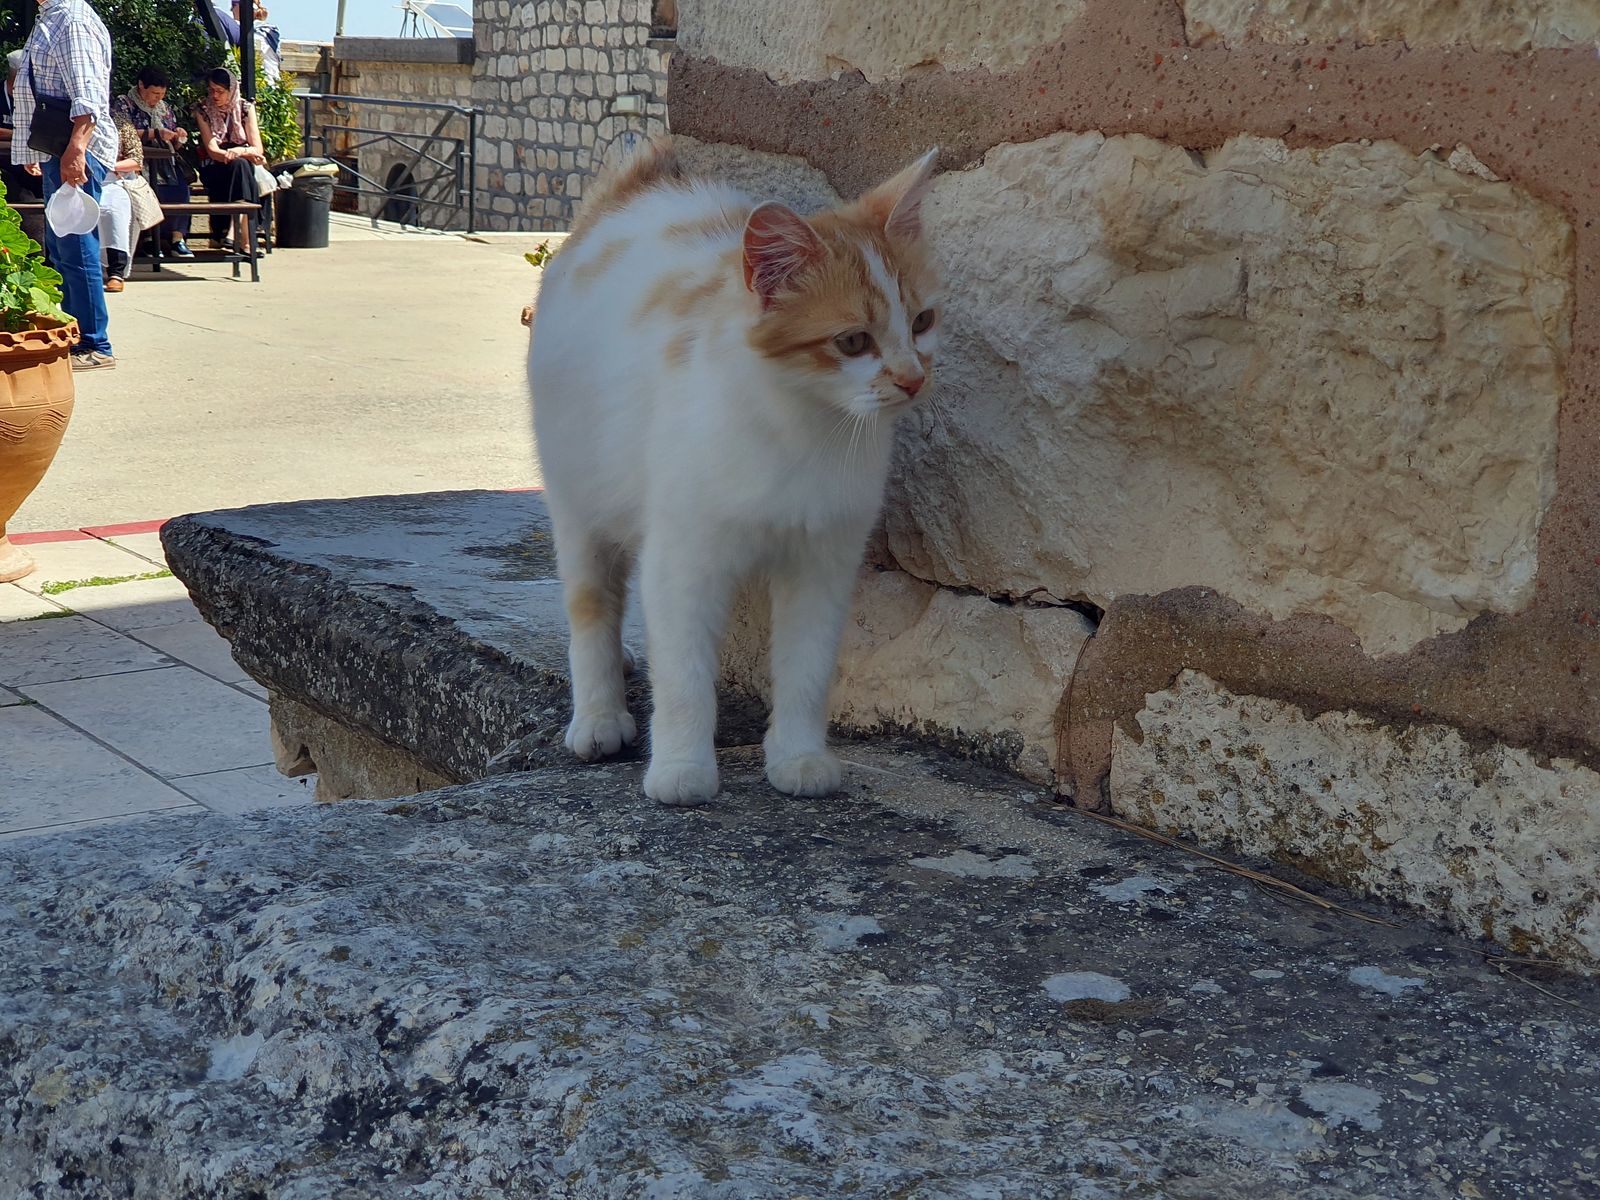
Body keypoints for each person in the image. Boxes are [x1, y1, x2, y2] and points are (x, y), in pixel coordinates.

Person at [11, 0, 117, 370]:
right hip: (59, 146)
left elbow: (87, 93)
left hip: (75, 147)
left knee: (76, 245)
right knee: (63, 245)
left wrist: (77, 149)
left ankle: (93, 343)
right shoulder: (55, 16)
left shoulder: (71, 18)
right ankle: (74, 335)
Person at [111, 66, 194, 259]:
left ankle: (177, 238)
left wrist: (178, 136)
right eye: (154, 93)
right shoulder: (125, 103)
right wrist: (155, 133)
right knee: (147, 186)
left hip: (166, 160)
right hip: (139, 159)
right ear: (141, 85)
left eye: (162, 94)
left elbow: (174, 139)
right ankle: (149, 239)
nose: (158, 98)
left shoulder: (165, 109)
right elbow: (120, 131)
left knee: (181, 186)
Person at [192, 66, 264, 253]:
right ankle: (246, 240)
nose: (215, 96)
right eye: (212, 90)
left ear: (231, 90)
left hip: (239, 161)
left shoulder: (245, 108)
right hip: (215, 164)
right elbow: (212, 149)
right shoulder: (203, 110)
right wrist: (236, 154)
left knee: (240, 166)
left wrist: (239, 152)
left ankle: (235, 232)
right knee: (243, 168)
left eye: (220, 91)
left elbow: (258, 147)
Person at [97, 113, 145, 291]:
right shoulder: (74, 119)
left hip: (116, 180)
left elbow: (136, 160)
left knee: (113, 210)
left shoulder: (121, 122)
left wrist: (110, 166)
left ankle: (116, 272)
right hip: (83, 176)